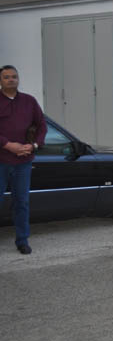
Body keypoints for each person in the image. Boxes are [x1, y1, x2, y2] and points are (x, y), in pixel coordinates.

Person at [0, 65, 47, 255]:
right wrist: (7, 145)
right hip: (1, 160)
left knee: (22, 202)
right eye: (6, 77)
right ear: (1, 81)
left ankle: (22, 240)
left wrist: (33, 145)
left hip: (23, 162)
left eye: (14, 76)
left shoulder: (29, 101)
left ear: (18, 79)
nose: (11, 80)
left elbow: (42, 126)